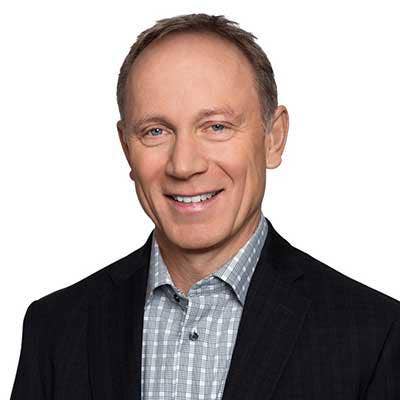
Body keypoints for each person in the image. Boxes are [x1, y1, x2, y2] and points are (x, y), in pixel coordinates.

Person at [10, 13, 400, 400]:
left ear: (273, 138)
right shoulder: (56, 329)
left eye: (216, 126)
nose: (184, 165)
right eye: (156, 131)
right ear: (126, 147)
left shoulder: (375, 335)